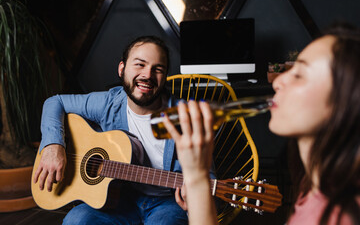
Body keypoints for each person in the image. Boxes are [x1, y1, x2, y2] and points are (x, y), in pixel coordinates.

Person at [163, 23, 360, 225]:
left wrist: (196, 178)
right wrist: (198, 198)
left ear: (345, 101)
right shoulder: (315, 189)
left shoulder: (339, 214)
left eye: (299, 74)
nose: (277, 82)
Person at [33, 36, 190, 225]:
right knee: (76, 221)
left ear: (164, 77)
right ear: (122, 69)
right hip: (118, 199)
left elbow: (207, 172)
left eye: (158, 69)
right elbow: (54, 102)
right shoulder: (109, 103)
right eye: (140, 65)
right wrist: (53, 145)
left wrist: (196, 189)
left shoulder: (185, 116)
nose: (147, 75)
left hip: (167, 202)